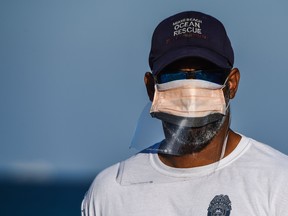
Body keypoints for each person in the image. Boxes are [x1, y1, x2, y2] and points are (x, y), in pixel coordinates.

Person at [81, 11, 288, 215]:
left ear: (232, 83)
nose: (191, 94)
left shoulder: (278, 182)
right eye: (174, 76)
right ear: (151, 88)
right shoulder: (110, 192)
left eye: (206, 75)